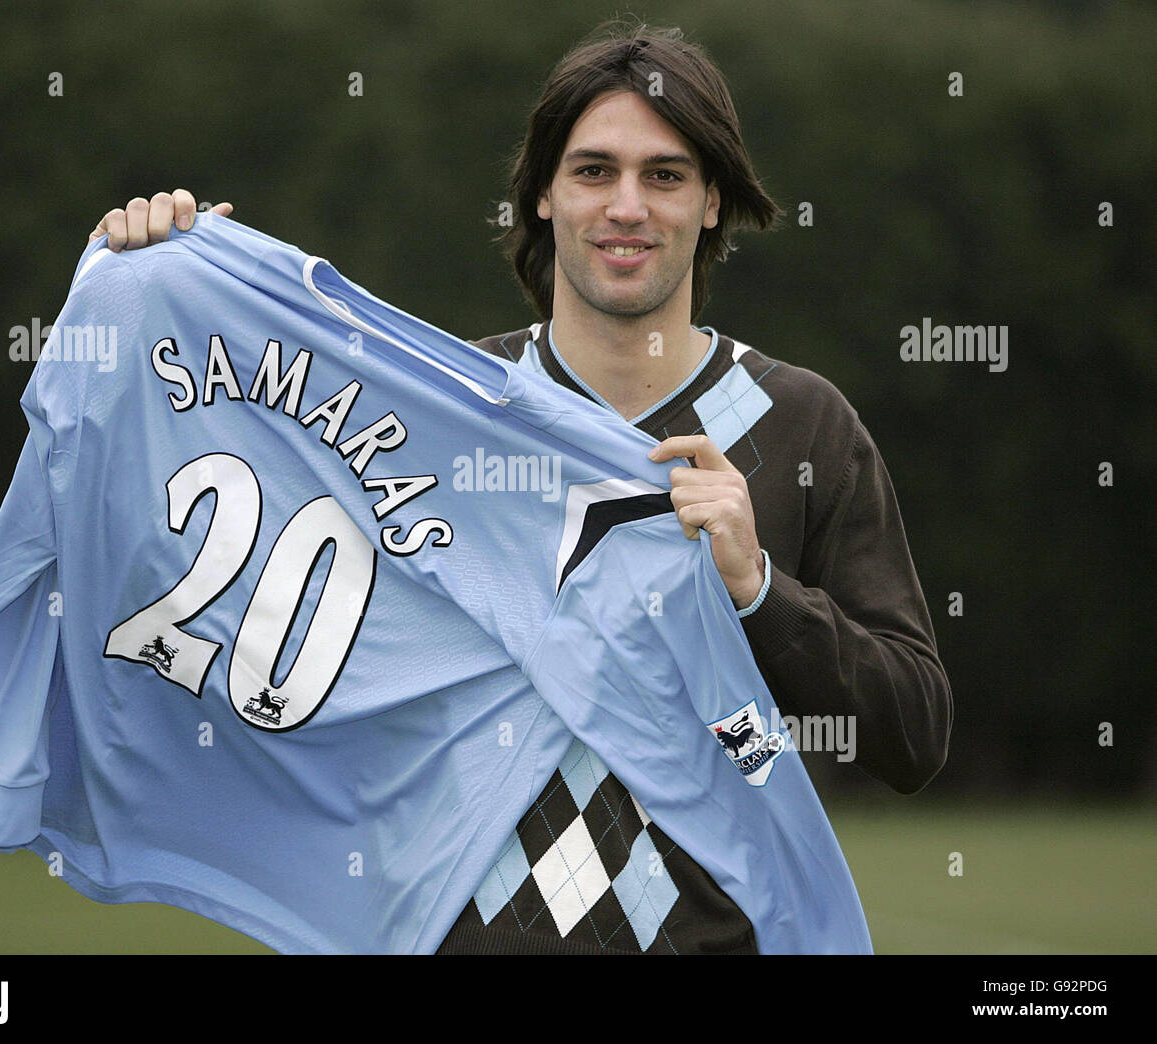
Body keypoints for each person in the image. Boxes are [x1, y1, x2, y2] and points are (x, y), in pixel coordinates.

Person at [86, 21, 952, 954]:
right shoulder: (445, 409)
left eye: (665, 175)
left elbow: (913, 734)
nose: (627, 205)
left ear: (712, 203)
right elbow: (233, 534)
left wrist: (758, 592)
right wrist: (159, 281)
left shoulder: (802, 424)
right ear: (542, 195)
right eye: (593, 171)